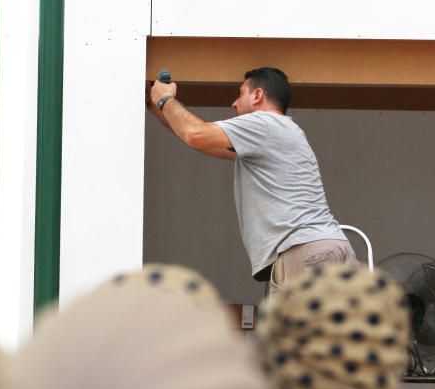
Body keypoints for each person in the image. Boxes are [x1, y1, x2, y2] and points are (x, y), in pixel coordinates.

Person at [146, 67, 354, 294]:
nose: (233, 103)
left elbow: (197, 134)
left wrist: (165, 98)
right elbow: (202, 141)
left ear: (257, 96)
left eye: (240, 94)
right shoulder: (279, 133)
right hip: (324, 248)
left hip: (305, 252)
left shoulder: (264, 123)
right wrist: (159, 109)